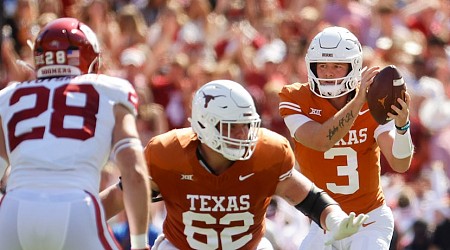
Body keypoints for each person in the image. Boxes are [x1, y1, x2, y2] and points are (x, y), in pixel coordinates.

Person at [101, 79, 369, 250]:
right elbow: (115, 200)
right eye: (234, 128)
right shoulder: (168, 155)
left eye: (247, 126)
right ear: (205, 125)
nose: (245, 135)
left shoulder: (268, 153)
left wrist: (335, 220)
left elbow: (309, 198)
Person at [0, 18, 151, 250]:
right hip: (76, 208)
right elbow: (135, 173)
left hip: (13, 211)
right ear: (90, 59)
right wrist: (140, 243)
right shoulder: (110, 90)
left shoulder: (9, 96)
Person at [278, 26, 414, 249]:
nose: (329, 73)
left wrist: (402, 127)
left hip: (369, 221)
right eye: (322, 66)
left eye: (337, 66)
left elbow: (400, 164)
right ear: (311, 66)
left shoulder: (373, 101)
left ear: (353, 67)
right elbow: (321, 141)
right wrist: (357, 102)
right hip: (325, 223)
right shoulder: (295, 97)